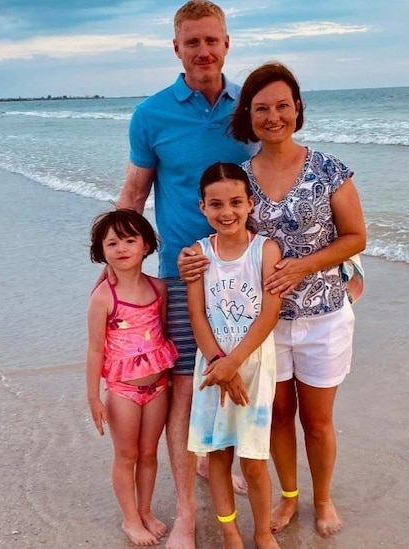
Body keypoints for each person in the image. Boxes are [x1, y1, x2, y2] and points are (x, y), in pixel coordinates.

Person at [180, 62, 367, 537]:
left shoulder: (329, 170)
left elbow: (356, 237)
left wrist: (305, 265)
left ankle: (322, 500)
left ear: (297, 109)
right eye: (261, 108)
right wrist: (188, 263)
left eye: (283, 105)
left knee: (319, 421)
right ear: (249, 115)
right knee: (279, 417)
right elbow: (224, 242)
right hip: (262, 326)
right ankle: (289, 497)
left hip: (324, 313)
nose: (273, 116)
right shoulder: (239, 179)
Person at [113, 1, 257, 547]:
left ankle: (222, 461)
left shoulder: (252, 107)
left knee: (238, 374)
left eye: (212, 40)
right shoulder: (151, 114)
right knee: (183, 390)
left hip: (244, 273)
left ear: (227, 44)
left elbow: (277, 185)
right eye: (192, 42)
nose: (204, 51)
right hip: (183, 272)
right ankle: (188, 517)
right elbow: (134, 195)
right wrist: (120, 273)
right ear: (176, 48)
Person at [186, 163, 282, 549]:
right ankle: (230, 532)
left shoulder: (265, 249)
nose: (227, 211)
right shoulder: (198, 253)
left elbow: (270, 312)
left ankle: (261, 532)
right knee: (219, 455)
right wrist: (219, 365)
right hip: (211, 369)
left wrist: (233, 363)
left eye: (236, 202)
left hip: (253, 366)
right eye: (216, 204)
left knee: (255, 459)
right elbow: (197, 313)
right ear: (203, 208)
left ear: (250, 203)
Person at [86, 210, 179, 547]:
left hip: (157, 387)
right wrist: (94, 397)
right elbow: (95, 350)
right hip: (123, 390)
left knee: (150, 453)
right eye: (112, 242)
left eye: (129, 240)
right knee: (127, 455)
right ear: (101, 251)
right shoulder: (103, 297)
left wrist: (167, 381)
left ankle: (145, 510)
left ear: (146, 245)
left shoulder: (158, 288)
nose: (121, 248)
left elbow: (162, 333)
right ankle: (129, 519)